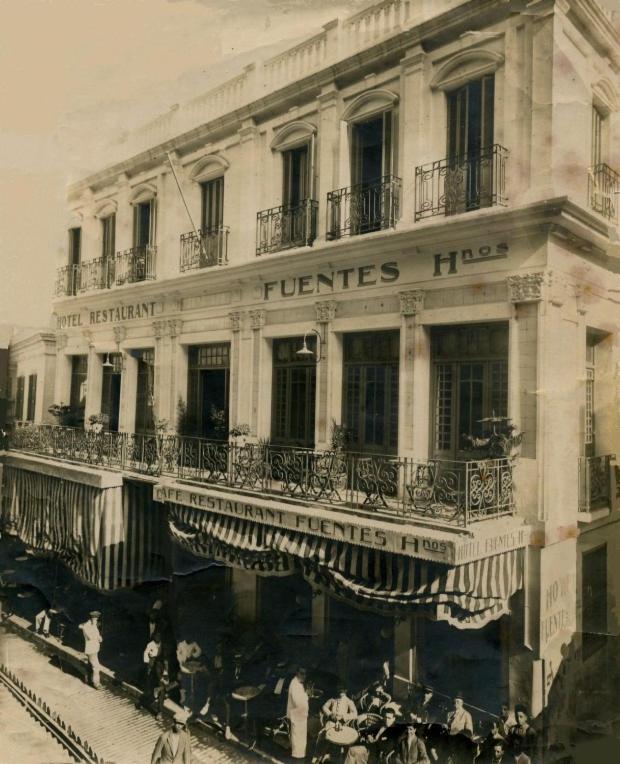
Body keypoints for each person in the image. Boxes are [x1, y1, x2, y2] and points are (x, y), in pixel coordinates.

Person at [313, 687, 358, 762]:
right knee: (322, 735)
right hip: (331, 723)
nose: (341, 691)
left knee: (339, 742)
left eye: (343, 689)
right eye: (340, 689)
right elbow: (324, 707)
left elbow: (355, 714)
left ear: (346, 690)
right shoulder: (333, 699)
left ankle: (337, 758)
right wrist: (330, 714)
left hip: (342, 725)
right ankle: (318, 757)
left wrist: (343, 717)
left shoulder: (349, 701)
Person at [287, 666, 310, 759]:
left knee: (300, 744)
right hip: (297, 717)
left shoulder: (299, 683)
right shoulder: (295, 684)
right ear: (297, 673)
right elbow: (298, 702)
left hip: (300, 716)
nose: (304, 676)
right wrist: (307, 695)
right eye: (302, 673)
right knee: (298, 745)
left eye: (305, 674)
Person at [79, 610, 103, 689]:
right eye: (96, 619)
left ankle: (88, 679)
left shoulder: (93, 625)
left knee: (90, 665)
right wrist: (97, 637)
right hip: (91, 649)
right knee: (96, 667)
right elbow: (90, 637)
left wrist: (99, 637)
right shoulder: (87, 626)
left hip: (95, 648)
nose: (97, 621)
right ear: (92, 618)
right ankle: (96, 683)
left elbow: (97, 634)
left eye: (97, 619)